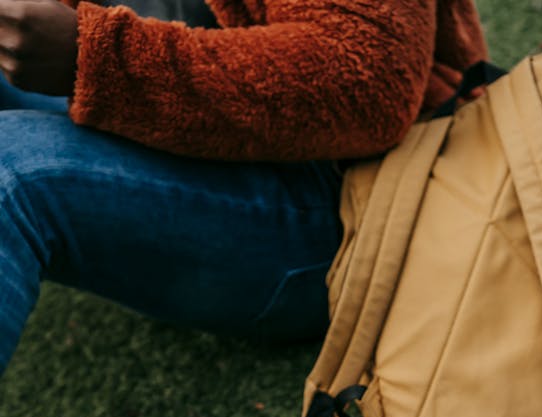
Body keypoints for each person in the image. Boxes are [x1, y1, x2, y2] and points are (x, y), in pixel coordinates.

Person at [0, 0, 487, 371]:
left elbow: (367, 82)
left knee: (8, 166)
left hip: (350, 196)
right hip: (169, 117)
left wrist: (94, 56)